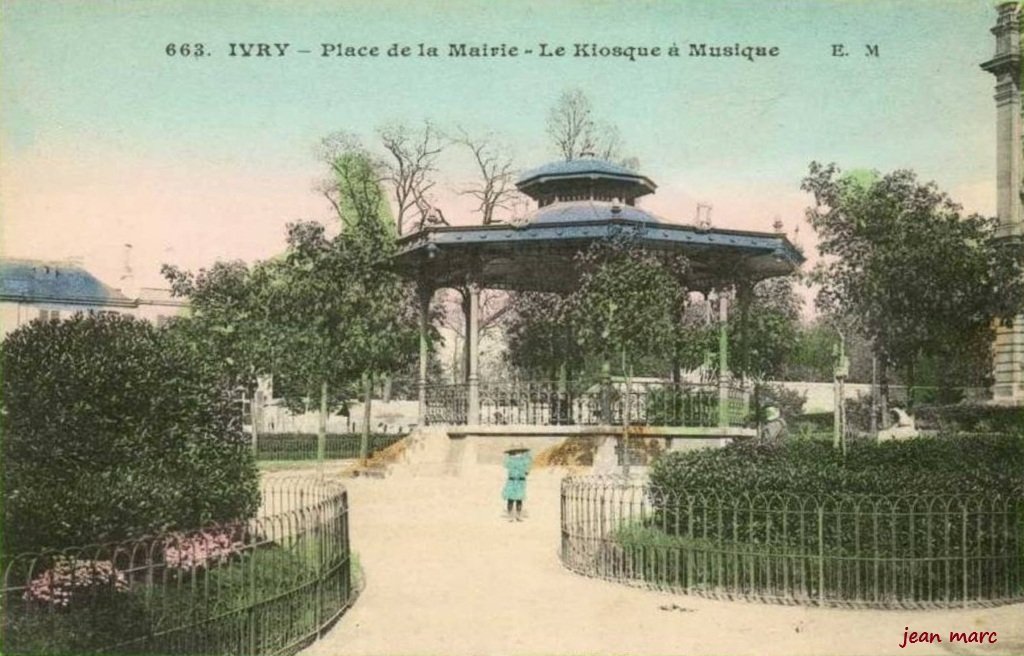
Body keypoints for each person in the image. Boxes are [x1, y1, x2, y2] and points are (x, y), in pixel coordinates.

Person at [502, 442, 532, 522]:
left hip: (516, 481)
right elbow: (527, 471)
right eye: (517, 452)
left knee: (516, 499)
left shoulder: (512, 460)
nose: (518, 453)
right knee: (514, 499)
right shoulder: (522, 461)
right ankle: (514, 516)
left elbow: (527, 471)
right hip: (515, 481)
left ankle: (514, 516)